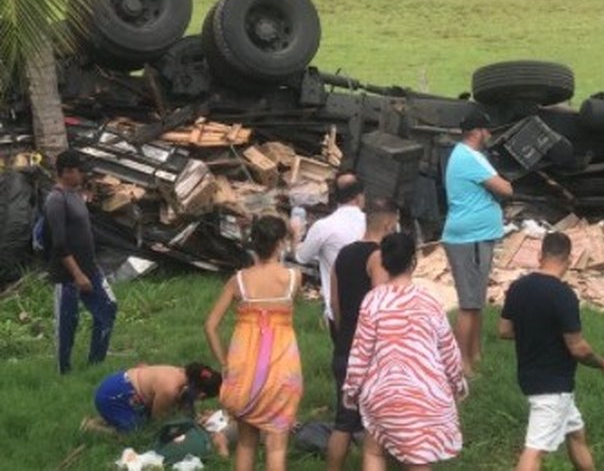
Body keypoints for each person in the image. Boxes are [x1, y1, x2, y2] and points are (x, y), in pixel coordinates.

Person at [343, 232, 468, 471]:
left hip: (382, 393)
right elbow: (448, 350)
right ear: (414, 261)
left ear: (384, 262)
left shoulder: (372, 301)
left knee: (374, 450)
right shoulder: (429, 300)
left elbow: (361, 352)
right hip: (426, 394)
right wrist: (457, 384)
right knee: (418, 459)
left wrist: (352, 389)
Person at [499, 231, 604, 471]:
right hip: (553, 386)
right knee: (534, 451)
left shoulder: (518, 287)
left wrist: (536, 333)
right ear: (570, 259)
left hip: (531, 377)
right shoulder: (563, 295)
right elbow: (578, 348)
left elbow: (504, 330)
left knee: (576, 433)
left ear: (539, 255)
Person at [205, 216, 303, 471]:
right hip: (282, 368)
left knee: (246, 443)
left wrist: (224, 362)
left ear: (253, 243)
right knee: (277, 445)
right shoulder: (293, 279)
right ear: (280, 242)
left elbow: (210, 325)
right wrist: (294, 240)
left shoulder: (239, 281)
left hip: (244, 369)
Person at [325, 197, 399, 471]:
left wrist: (346, 334)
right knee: (376, 424)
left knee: (343, 422)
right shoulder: (378, 257)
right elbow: (380, 307)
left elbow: (334, 304)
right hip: (369, 354)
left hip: (344, 347)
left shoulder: (343, 254)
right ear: (390, 223)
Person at [443, 108, 513, 376]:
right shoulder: (468, 157)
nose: (490, 134)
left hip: (477, 235)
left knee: (476, 301)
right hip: (469, 237)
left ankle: (475, 354)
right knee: (469, 304)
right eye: (487, 129)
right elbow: (505, 189)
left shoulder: (469, 156)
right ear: (477, 131)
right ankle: (462, 364)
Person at [45, 149, 118, 375]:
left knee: (108, 307)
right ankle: (63, 372)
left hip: (90, 268)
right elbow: (59, 244)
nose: (83, 174)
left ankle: (96, 364)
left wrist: (89, 269)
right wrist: (77, 275)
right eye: (79, 170)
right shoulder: (56, 199)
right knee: (67, 324)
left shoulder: (75, 193)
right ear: (66, 172)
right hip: (67, 275)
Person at [293, 172, 366, 338]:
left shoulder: (323, 227)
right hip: (371, 309)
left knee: (342, 356)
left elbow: (301, 257)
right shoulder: (372, 223)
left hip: (338, 309)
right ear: (360, 197)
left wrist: (295, 235)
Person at [83, 363, 222, 434]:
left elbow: (182, 405)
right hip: (113, 395)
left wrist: (195, 416)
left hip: (121, 385)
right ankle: (92, 427)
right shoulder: (170, 389)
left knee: (149, 417)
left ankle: (109, 419)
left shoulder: (183, 375)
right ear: (201, 394)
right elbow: (158, 422)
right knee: (141, 430)